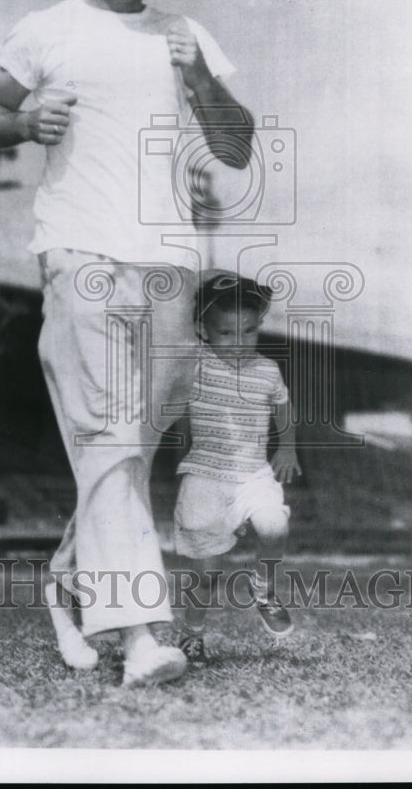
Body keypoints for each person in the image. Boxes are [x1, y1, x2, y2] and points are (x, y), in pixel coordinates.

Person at [0, 0, 253, 686]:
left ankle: (66, 583)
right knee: (108, 441)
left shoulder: (184, 32)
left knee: (129, 450)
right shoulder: (46, 31)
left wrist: (197, 81)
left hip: (170, 266)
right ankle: (140, 636)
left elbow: (234, 148)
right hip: (82, 256)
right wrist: (23, 121)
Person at [173, 273, 301, 664]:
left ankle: (264, 590)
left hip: (253, 474)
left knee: (274, 526)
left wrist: (288, 447)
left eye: (248, 331)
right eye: (226, 333)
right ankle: (191, 633)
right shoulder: (193, 362)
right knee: (207, 572)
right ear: (204, 330)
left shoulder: (266, 371)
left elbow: (282, 407)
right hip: (205, 474)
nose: (239, 342)